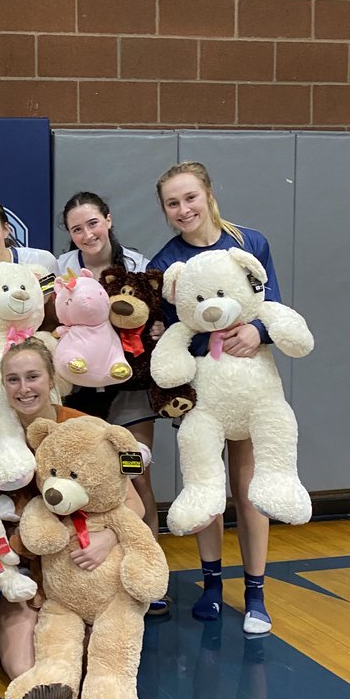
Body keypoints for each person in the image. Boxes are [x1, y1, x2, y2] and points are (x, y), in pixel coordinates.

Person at [0, 337, 146, 681]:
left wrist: (107, 537)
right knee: (14, 666)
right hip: (24, 564)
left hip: (80, 563)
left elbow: (134, 502)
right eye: (13, 380)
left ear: (52, 380)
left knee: (91, 661)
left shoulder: (86, 426)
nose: (24, 388)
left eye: (33, 377)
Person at [148, 161, 281, 636]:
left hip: (248, 381)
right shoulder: (165, 263)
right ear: (164, 210)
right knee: (206, 488)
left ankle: (255, 592)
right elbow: (168, 329)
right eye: (172, 203)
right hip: (200, 389)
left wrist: (258, 328)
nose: (183, 209)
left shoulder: (251, 244)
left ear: (207, 192)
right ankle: (210, 585)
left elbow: (273, 305)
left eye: (189, 198)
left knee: (249, 490)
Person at [58, 191, 161, 542]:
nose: (87, 235)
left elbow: (153, 315)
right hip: (82, 389)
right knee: (87, 476)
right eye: (77, 229)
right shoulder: (63, 267)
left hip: (129, 384)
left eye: (93, 223)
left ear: (108, 219)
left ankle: (151, 563)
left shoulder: (136, 263)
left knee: (136, 471)